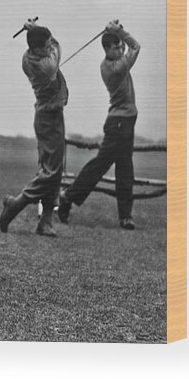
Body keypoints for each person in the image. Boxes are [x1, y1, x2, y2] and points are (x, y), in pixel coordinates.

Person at [57, 20, 141, 229]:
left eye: (121, 46)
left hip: (126, 122)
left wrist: (117, 33)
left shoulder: (115, 60)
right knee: (100, 166)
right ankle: (68, 197)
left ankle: (125, 216)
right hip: (118, 124)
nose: (121, 49)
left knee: (125, 169)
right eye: (116, 47)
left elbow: (127, 46)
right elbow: (136, 46)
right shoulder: (114, 68)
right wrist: (121, 31)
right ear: (106, 49)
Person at [0, 22, 68, 237]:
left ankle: (45, 221)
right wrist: (38, 29)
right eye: (45, 47)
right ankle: (16, 203)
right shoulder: (47, 65)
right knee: (51, 172)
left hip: (49, 114)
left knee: (52, 170)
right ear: (37, 50)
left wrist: (34, 29)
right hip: (49, 117)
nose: (49, 48)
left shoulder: (27, 57)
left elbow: (49, 43)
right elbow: (57, 45)